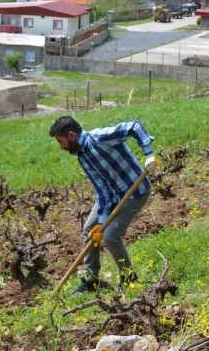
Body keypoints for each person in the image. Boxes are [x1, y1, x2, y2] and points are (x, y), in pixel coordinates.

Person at [49, 116, 157, 294]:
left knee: (110, 235)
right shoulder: (82, 157)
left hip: (135, 193)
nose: (61, 147)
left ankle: (129, 277)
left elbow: (133, 126)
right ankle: (92, 279)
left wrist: (149, 154)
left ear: (71, 135)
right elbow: (101, 190)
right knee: (89, 229)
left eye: (61, 142)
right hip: (113, 196)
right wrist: (102, 219)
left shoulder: (101, 138)